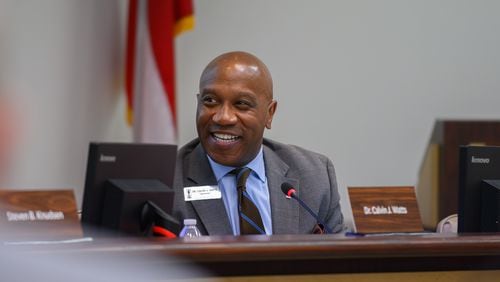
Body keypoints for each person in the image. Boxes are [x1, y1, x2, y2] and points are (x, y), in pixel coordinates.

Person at [172, 51, 344, 235]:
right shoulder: (167, 181)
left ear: (269, 113)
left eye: (241, 104)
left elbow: (342, 260)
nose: (223, 118)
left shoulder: (315, 176)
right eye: (210, 101)